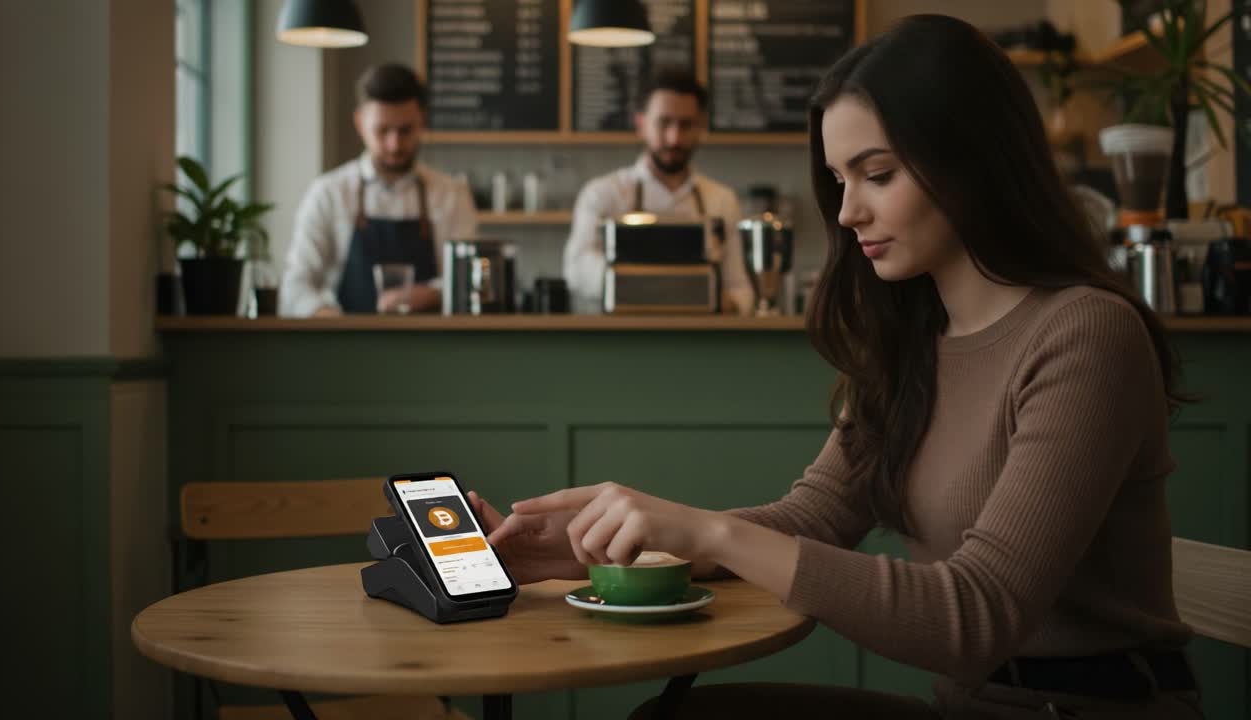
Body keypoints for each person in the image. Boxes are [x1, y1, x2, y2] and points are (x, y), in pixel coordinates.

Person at [470, 14, 1202, 720]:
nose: (847, 211)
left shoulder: (1086, 336)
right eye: (839, 179)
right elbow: (811, 521)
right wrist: (591, 553)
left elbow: (976, 615)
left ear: (969, 159)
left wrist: (707, 532)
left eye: (876, 173)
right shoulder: (912, 341)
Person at [280, 64, 477, 317]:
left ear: (422, 122)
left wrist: (432, 293)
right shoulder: (328, 193)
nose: (394, 145)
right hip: (346, 346)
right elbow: (296, 285)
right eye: (382, 131)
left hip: (432, 346)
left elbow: (467, 279)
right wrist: (328, 317)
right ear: (360, 122)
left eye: (405, 130)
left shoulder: (451, 194)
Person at [562, 68, 754, 314]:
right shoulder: (602, 193)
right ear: (640, 124)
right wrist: (676, 288)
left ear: (701, 127)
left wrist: (730, 301)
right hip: (623, 343)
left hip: (700, 346)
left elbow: (740, 290)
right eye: (664, 123)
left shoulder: (722, 200)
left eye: (686, 125)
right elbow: (576, 269)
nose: (674, 138)